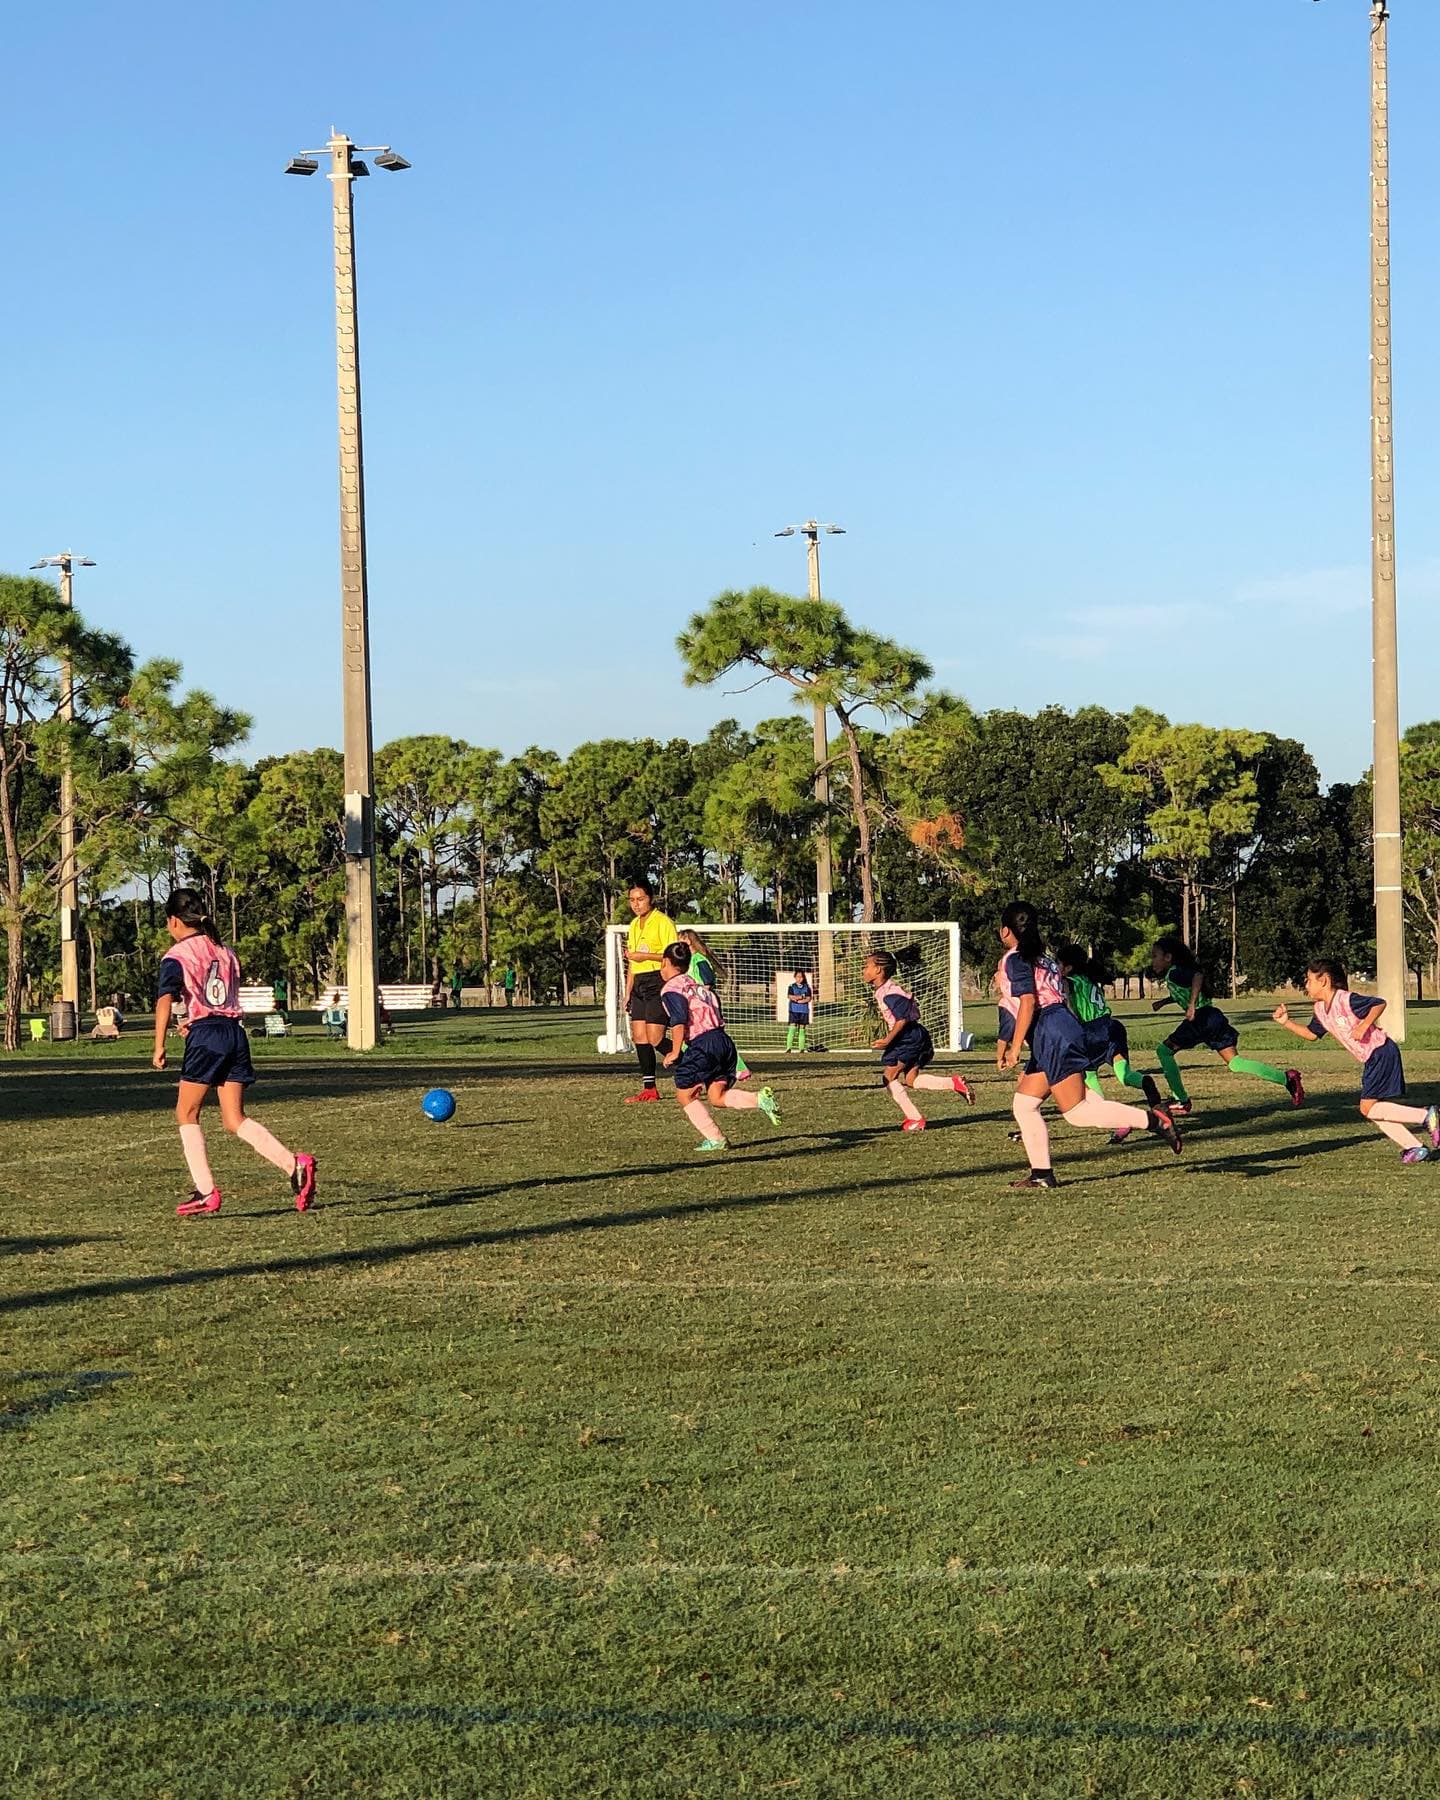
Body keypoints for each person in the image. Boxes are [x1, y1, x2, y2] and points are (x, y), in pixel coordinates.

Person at [152, 887, 316, 1217]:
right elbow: (220, 999)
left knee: (186, 1113)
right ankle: (293, 1164)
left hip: (208, 1036)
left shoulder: (176, 956)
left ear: (173, 921)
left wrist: (158, 1045)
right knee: (233, 1118)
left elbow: (165, 998)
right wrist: (194, 1021)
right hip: (234, 1034)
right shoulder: (226, 951)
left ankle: (206, 1191)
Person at [1001, 901, 1181, 1188]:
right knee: (1024, 1105)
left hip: (1052, 1030)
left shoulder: (1015, 958)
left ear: (1004, 931)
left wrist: (1012, 1048)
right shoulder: (1045, 957)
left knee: (1076, 1112)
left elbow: (1028, 1002)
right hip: (1060, 1027)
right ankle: (1042, 1174)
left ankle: (1155, 1121)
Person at [1274, 959, 1439, 1163]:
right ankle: (1415, 1147)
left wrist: (1364, 1026)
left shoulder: (1345, 999)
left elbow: (1379, 1004)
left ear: (1324, 980)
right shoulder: (1320, 1010)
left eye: (1309, 980)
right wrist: (1286, 1022)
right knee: (1372, 1109)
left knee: (1367, 1107)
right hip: (1372, 1058)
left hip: (1381, 1051)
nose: (1306, 985)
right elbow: (1311, 1034)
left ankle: (1427, 1117)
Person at [1151, 934, 1303, 1114]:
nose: (1152, 961)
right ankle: (1287, 1078)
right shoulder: (1175, 973)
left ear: (1168, 957)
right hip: (1213, 1018)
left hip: (1201, 1019)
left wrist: (1191, 1005)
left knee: (1164, 1051)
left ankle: (1181, 1100)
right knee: (1236, 1063)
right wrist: (1164, 1002)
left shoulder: (1175, 972)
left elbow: (1197, 977)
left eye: (1155, 956)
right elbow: (1184, 990)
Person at [660, 942, 780, 1151]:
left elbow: (679, 1019)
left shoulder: (671, 988)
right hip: (723, 1041)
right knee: (716, 1096)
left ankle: (716, 1139)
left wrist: (675, 1051)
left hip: (703, 1043)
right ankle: (759, 1099)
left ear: (665, 962)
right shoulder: (700, 988)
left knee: (684, 1094)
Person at [1055, 942, 1164, 1138]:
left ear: (1068, 967)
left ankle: (1120, 1120)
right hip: (1113, 1027)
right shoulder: (1089, 978)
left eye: (1058, 963)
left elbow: (1070, 1008)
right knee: (1124, 1075)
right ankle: (1145, 1082)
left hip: (1092, 1031)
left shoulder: (1069, 981)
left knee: (1088, 1075)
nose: (1056, 967)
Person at [863, 949, 973, 1131]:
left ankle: (915, 1118)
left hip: (907, 1037)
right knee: (912, 1080)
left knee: (888, 1077)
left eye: (867, 966)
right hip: (915, 1034)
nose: (864, 971)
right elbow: (914, 1012)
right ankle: (953, 1083)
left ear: (878, 970)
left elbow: (902, 1019)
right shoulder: (890, 989)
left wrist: (887, 1040)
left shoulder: (889, 992)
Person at [622, 880, 677, 1103]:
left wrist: (646, 957)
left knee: (655, 1038)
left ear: (651, 898)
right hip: (639, 984)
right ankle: (649, 1088)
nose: (636, 904)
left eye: (640, 899)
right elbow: (633, 963)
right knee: (639, 1037)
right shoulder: (634, 924)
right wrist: (627, 991)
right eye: (632, 900)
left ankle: (694, 1067)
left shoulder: (663, 922)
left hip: (658, 980)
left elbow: (673, 956)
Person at [679, 928, 751, 1080]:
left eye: (680, 939)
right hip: (697, 1004)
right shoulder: (690, 960)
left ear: (688, 940)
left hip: (705, 1004)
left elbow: (708, 981)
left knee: (712, 1037)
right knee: (692, 1037)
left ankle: (739, 1068)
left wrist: (700, 997)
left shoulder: (698, 959)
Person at [785, 971, 813, 1054]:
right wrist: (801, 997)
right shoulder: (791, 986)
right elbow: (790, 996)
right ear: (795, 977)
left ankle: (801, 1049)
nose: (799, 978)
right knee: (792, 1028)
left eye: (801, 977)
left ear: (803, 978)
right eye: (797, 977)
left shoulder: (807, 987)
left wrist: (801, 1000)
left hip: (803, 1011)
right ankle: (788, 1048)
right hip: (794, 1010)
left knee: (802, 1030)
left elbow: (808, 998)